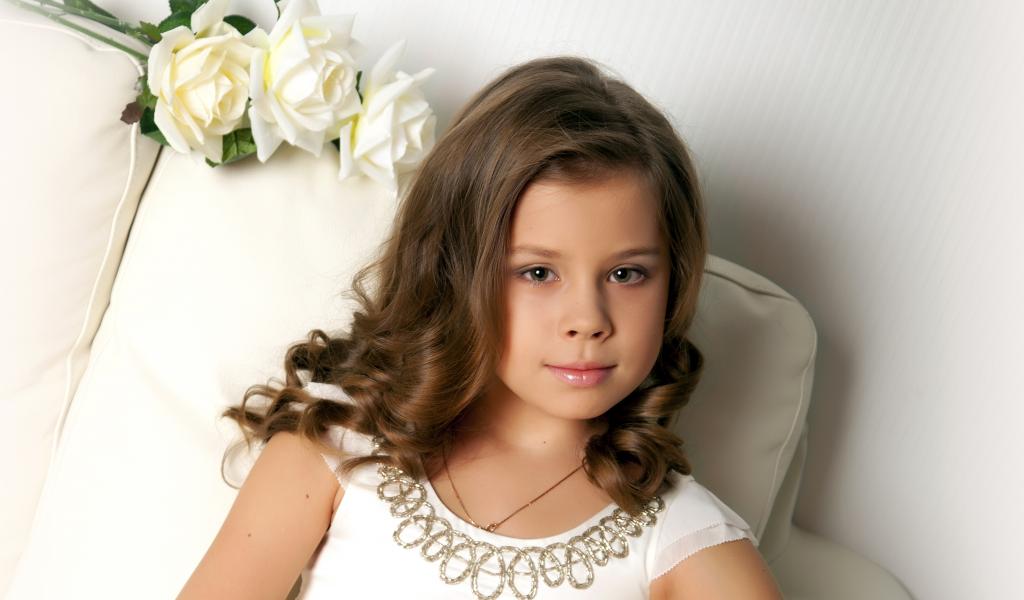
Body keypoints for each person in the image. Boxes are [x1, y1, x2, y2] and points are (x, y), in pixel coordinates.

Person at [178, 55, 784, 599]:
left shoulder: (683, 538)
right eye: (538, 272)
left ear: (674, 282)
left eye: (627, 274)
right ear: (454, 270)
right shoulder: (336, 445)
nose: (588, 320)